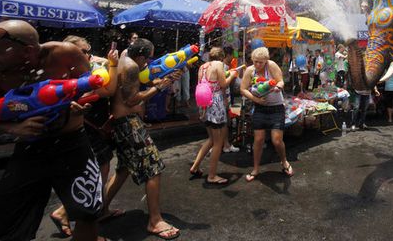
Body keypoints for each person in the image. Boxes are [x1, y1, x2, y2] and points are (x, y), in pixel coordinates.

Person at [0, 21, 108, 241]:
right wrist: (14, 128)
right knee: (3, 224)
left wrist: (79, 105)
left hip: (73, 145)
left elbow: (89, 87)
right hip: (30, 149)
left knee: (88, 212)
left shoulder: (64, 54)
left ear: (28, 51)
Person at [101, 38, 181, 240]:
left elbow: (131, 87)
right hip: (128, 124)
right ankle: (154, 221)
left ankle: (101, 209)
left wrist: (161, 79)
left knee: (123, 169)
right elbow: (131, 99)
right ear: (141, 56)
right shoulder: (131, 67)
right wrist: (160, 87)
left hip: (120, 124)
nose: (149, 62)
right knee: (154, 168)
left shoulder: (122, 60)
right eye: (149, 57)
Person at [50, 35, 122, 237]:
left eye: (88, 50)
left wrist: (106, 60)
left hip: (93, 125)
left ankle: (71, 213)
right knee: (98, 173)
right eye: (82, 52)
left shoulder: (84, 66)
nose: (88, 55)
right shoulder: (77, 73)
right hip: (86, 128)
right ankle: (83, 224)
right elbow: (108, 91)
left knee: (95, 172)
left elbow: (99, 61)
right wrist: (114, 66)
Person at [240, 47, 293, 181]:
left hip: (276, 108)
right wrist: (256, 99)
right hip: (260, 109)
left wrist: (278, 87)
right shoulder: (250, 71)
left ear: (266, 61)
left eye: (261, 62)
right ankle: (256, 169)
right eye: (256, 62)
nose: (258, 65)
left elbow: (281, 80)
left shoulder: (271, 66)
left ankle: (284, 161)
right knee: (258, 140)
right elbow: (243, 89)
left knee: (276, 140)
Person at [189, 47, 239, 184]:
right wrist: (233, 76)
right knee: (218, 143)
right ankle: (212, 176)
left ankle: (195, 166)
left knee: (211, 139)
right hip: (215, 104)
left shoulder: (203, 66)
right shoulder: (219, 65)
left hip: (204, 104)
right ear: (222, 57)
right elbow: (223, 85)